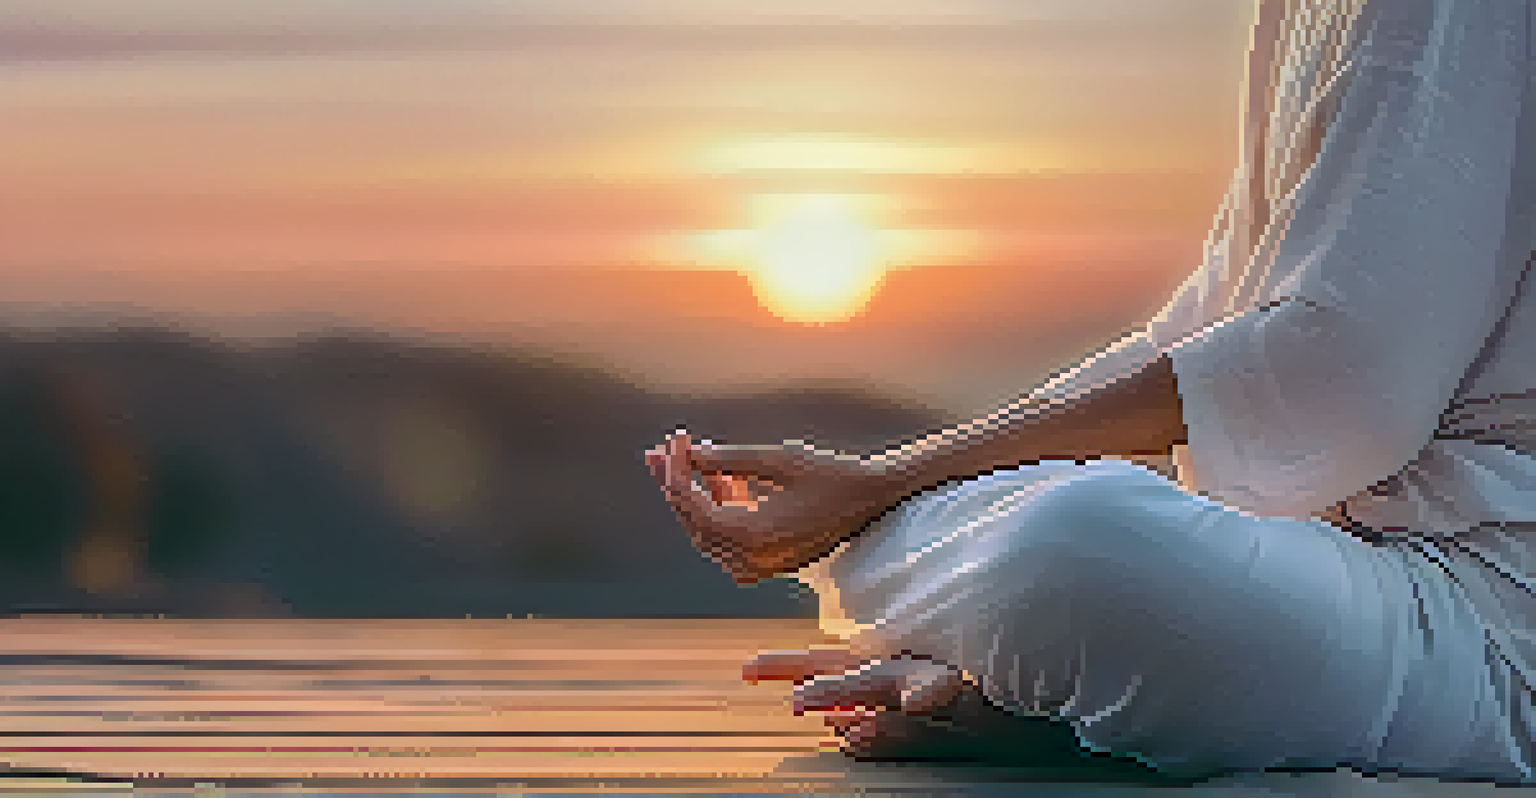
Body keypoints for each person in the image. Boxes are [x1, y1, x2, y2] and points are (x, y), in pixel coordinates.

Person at [646, 0, 1536, 783]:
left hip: (1494, 625)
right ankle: (1069, 685)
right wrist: (880, 484)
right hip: (1331, 567)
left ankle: (1044, 675)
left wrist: (878, 495)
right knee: (1025, 537)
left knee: (1076, 548)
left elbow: (1338, 380)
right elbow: (1207, 325)